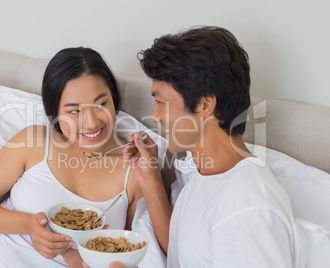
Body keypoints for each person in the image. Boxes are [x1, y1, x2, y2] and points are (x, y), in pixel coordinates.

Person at [0, 47, 144, 267]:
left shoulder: (134, 168)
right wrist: (29, 225)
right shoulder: (35, 140)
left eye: (100, 104)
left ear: (113, 98)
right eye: (74, 111)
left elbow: (127, 250)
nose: (91, 123)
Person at [122, 26, 306, 267]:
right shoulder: (202, 175)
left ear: (204, 104)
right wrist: (149, 178)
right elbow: (184, 252)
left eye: (160, 102)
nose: (154, 116)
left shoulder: (246, 206)